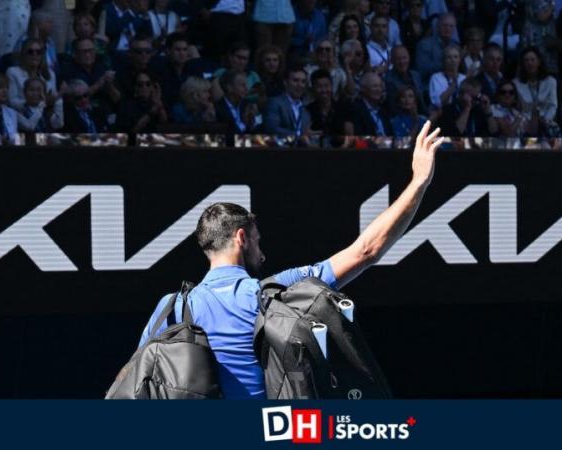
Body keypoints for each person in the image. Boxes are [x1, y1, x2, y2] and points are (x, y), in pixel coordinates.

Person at [137, 120, 445, 399]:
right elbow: (365, 251)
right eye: (257, 240)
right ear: (242, 237)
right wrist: (419, 182)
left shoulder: (170, 308)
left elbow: (142, 380)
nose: (262, 252)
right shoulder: (273, 294)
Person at [512, 47, 558, 136]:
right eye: (526, 60)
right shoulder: (515, 83)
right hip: (525, 123)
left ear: (539, 62)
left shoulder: (551, 81)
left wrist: (545, 120)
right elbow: (514, 109)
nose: (530, 63)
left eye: (532, 60)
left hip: (546, 122)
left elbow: (553, 105)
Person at [7, 39, 60, 112]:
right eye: (30, 52)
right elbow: (12, 101)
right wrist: (31, 103)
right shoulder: (13, 72)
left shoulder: (50, 74)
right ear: (24, 54)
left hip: (47, 115)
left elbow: (53, 97)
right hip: (24, 116)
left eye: (38, 52)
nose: (35, 54)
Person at [262, 66, 311, 136]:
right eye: (295, 80)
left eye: (303, 82)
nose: (300, 85)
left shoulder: (305, 111)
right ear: (285, 82)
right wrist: (298, 135)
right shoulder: (274, 103)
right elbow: (272, 129)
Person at [343, 71, 393, 135]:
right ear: (363, 89)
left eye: (380, 86)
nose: (378, 89)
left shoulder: (383, 111)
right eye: (374, 86)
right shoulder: (355, 109)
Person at [415, 13, 459, 82]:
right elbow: (423, 70)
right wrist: (447, 64)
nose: (448, 28)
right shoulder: (424, 44)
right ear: (437, 27)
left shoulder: (455, 46)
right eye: (445, 25)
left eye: (451, 26)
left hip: (452, 84)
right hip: (430, 86)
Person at [215, 70, 259, 139]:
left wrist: (253, 122)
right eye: (242, 85)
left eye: (246, 85)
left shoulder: (247, 105)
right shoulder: (218, 109)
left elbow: (255, 132)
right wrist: (244, 124)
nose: (247, 88)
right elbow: (229, 135)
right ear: (229, 87)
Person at [384, 45, 425, 114]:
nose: (402, 62)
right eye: (398, 59)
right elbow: (392, 107)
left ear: (409, 58)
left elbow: (421, 100)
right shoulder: (388, 79)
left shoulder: (416, 75)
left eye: (404, 58)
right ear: (392, 61)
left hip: (420, 114)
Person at [428, 45, 466, 109]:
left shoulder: (464, 78)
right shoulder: (436, 78)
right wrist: (454, 83)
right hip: (442, 114)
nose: (453, 60)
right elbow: (439, 102)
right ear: (443, 60)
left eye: (455, 57)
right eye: (449, 57)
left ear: (460, 60)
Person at [306, 68, 342, 135]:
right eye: (319, 86)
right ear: (313, 89)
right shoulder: (307, 110)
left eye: (326, 86)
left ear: (332, 86)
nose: (324, 90)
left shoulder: (342, 108)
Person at [0, 72, 18, 141]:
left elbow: (15, 139)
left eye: (7, 87)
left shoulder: (11, 113)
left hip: (7, 151)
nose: (5, 91)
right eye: (1, 87)